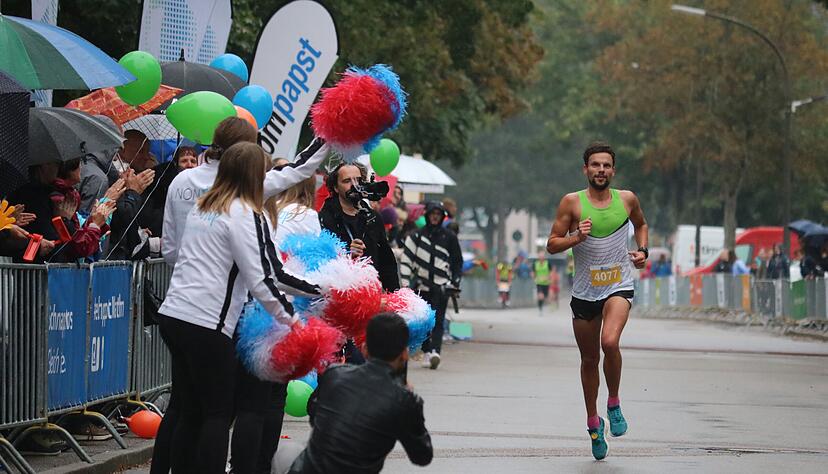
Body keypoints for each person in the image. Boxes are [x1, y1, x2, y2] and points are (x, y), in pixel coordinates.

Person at [154, 142, 320, 474]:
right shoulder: (245, 213)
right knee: (217, 414)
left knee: (190, 410)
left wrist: (327, 136)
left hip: (173, 315)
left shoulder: (207, 203)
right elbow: (264, 278)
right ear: (254, 174)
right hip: (207, 323)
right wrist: (295, 317)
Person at [546, 141, 648, 460]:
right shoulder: (572, 203)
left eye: (606, 165)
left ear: (613, 170)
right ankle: (594, 423)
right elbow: (551, 245)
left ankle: (614, 403)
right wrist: (577, 236)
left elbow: (642, 225)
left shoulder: (628, 200)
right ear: (585, 169)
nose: (600, 170)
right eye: (595, 165)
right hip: (585, 292)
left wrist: (643, 252)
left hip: (618, 284)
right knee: (589, 360)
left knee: (610, 342)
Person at [228, 161, 322, 474]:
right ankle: (259, 466)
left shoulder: (261, 213)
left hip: (247, 310)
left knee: (247, 403)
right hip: (280, 309)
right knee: (269, 399)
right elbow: (293, 270)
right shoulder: (306, 217)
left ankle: (240, 464)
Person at [161, 117, 328, 265]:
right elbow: (299, 169)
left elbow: (169, 250)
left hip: (180, 283)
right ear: (246, 150)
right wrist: (329, 130)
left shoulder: (180, 180)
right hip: (223, 290)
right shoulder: (248, 184)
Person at [288, 313, 433, 474]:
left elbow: (314, 414)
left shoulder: (334, 374)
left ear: (364, 349)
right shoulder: (404, 399)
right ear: (405, 354)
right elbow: (422, 456)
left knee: (288, 453)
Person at [399, 201, 463, 370]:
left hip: (441, 286)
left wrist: (455, 281)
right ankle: (427, 351)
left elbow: (457, 262)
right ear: (427, 215)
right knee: (424, 320)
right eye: (432, 213)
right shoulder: (416, 236)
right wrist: (405, 285)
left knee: (439, 319)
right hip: (421, 285)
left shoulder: (449, 237)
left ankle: (435, 352)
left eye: (438, 214)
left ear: (442, 216)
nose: (435, 217)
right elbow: (406, 260)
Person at [318, 163, 400, 291]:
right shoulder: (324, 218)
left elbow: (386, 261)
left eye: (358, 180)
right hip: (340, 294)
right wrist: (347, 255)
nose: (354, 185)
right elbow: (321, 262)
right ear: (335, 187)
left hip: (371, 293)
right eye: (347, 181)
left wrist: (395, 295)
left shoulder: (372, 216)